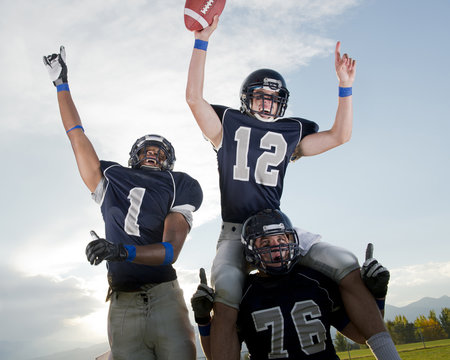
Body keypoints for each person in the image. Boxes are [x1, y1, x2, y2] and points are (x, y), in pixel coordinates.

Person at [185, 16, 397, 360]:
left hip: (278, 229)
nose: (267, 103)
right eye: (260, 96)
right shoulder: (227, 127)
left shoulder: (289, 133)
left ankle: (389, 356)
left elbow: (339, 136)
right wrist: (202, 40)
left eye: (273, 98)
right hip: (235, 232)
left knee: (345, 262)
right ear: (246, 100)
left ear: (282, 102)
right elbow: (194, 99)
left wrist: (345, 86)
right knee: (226, 296)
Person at [43, 46, 203, 360]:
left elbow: (170, 252)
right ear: (133, 157)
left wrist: (120, 251)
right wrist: (61, 85)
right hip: (122, 300)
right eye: (147, 150)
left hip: (164, 295)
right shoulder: (112, 181)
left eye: (159, 151)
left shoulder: (177, 184)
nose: (153, 153)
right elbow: (76, 136)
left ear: (169, 160)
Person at [191, 209, 399, 360]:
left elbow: (362, 334)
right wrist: (203, 321)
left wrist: (378, 295)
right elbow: (221, 355)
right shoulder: (243, 293)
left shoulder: (317, 280)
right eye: (266, 243)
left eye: (281, 240)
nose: (276, 249)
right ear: (249, 250)